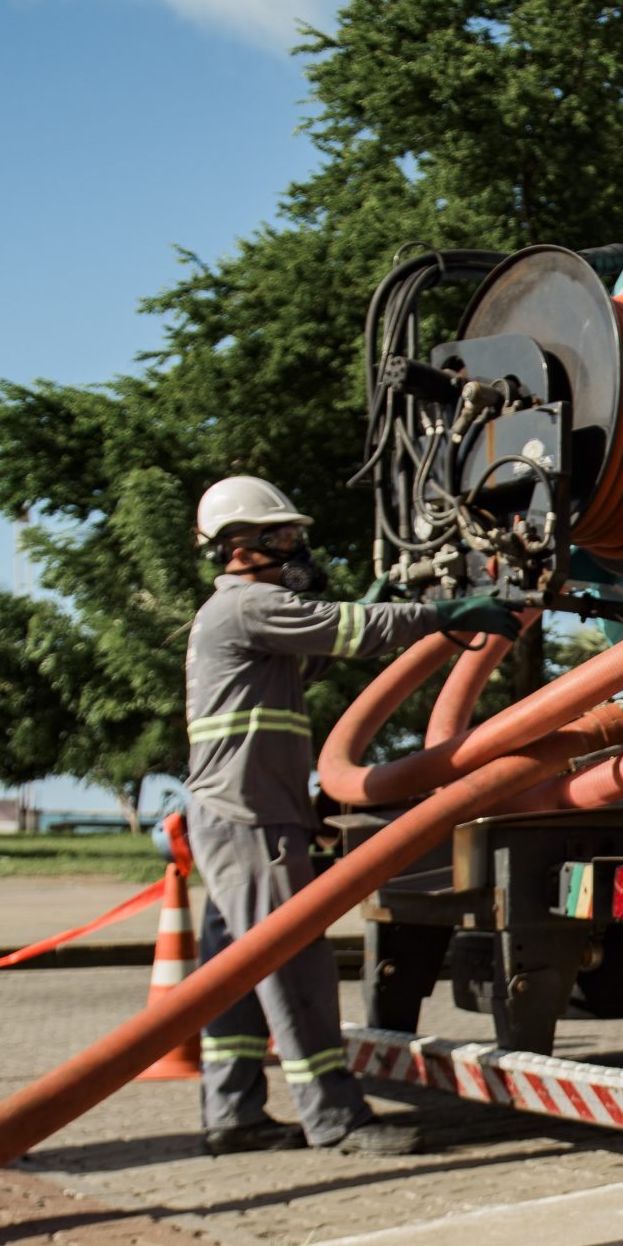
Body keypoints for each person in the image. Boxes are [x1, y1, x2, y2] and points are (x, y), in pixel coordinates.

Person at [184, 475, 522, 1156]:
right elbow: (347, 632)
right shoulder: (247, 606)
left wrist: (382, 607)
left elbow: (319, 649)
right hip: (252, 818)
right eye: (281, 536)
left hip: (237, 814)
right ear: (239, 545)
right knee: (294, 961)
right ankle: (334, 1117)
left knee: (232, 970)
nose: (295, 549)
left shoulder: (244, 619)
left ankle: (232, 1109)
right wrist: (444, 612)